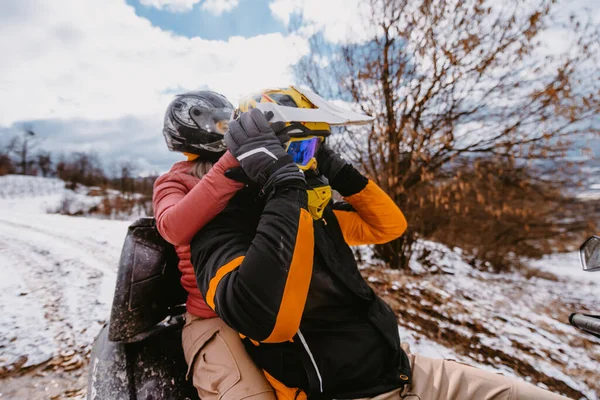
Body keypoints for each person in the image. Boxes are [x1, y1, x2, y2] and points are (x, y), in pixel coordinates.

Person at [189, 86, 572, 400]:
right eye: (297, 152)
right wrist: (285, 190)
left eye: (312, 152)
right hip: (341, 391)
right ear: (260, 158)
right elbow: (262, 319)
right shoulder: (222, 226)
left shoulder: (315, 210)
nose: (305, 166)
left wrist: (338, 171)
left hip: (401, 370)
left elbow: (388, 226)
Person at [152, 90, 276, 399]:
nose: (227, 129)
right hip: (212, 316)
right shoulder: (173, 180)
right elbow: (172, 227)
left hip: (270, 304)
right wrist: (233, 165)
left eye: (229, 123)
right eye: (221, 125)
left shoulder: (254, 171)